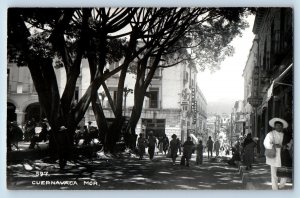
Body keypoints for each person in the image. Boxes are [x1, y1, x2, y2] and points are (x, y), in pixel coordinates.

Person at [263, 118, 292, 190]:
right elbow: (266, 143)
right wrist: (273, 145)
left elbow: (290, 142)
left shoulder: (285, 135)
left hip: (283, 155)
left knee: (285, 173)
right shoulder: (270, 134)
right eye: (277, 125)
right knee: (274, 174)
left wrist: (287, 146)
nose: (278, 127)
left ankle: (281, 186)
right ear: (274, 126)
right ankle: (275, 189)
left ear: (282, 127)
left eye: (280, 126)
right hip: (273, 156)